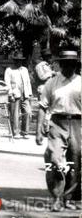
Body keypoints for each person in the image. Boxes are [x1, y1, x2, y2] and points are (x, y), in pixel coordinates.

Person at [35, 50, 81, 212]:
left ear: (76, 65)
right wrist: (38, 130)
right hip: (57, 123)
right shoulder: (52, 83)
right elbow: (42, 107)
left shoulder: (80, 82)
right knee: (54, 159)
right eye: (65, 63)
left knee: (75, 162)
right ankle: (56, 197)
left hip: (78, 123)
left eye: (72, 64)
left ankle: (68, 197)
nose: (68, 67)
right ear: (60, 65)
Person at [4, 55, 33, 139]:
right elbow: (7, 83)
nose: (19, 62)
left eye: (20, 60)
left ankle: (25, 131)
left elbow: (28, 82)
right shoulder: (9, 70)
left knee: (27, 112)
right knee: (15, 114)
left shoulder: (24, 69)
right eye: (17, 60)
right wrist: (10, 94)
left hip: (25, 94)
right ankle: (15, 132)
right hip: (15, 94)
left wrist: (29, 94)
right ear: (14, 61)